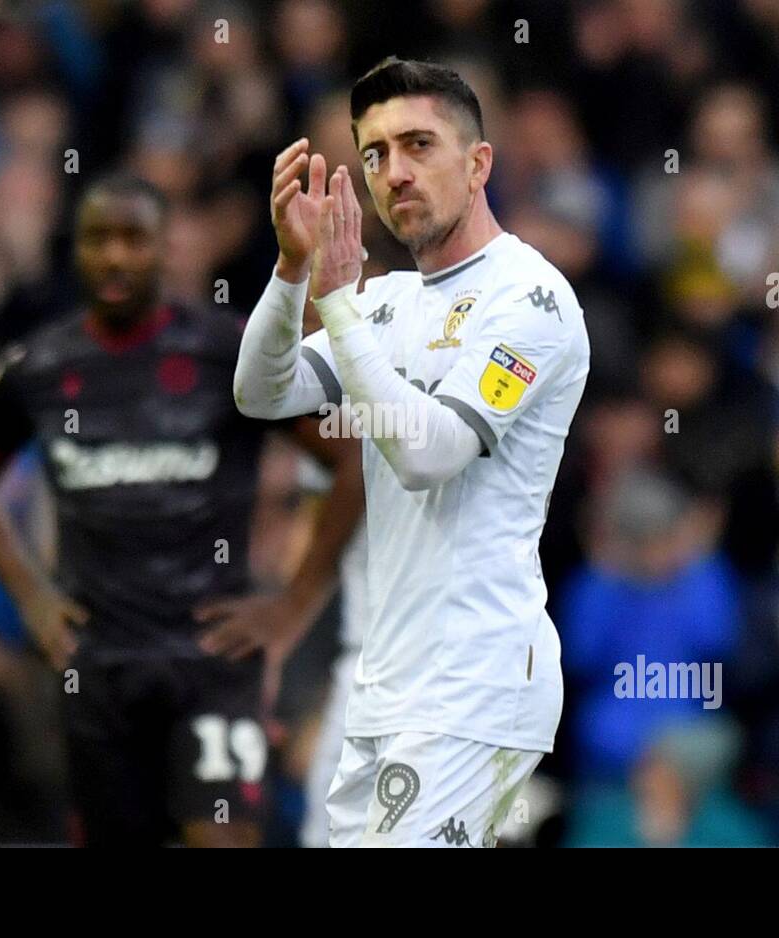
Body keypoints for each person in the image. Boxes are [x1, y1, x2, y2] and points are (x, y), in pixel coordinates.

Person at [231, 57, 590, 847]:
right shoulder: (385, 303)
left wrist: (336, 304)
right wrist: (293, 271)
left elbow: (430, 454)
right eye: (374, 153)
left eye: (418, 144)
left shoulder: (531, 300)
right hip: (388, 685)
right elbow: (261, 391)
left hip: (478, 678)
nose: (392, 171)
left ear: (479, 162)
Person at [0, 173, 362, 847]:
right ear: (73, 249)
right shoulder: (39, 368)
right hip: (98, 665)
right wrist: (31, 597)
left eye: (134, 238)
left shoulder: (229, 352)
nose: (115, 256)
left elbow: (351, 460)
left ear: (166, 249)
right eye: (97, 239)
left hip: (213, 661)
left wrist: (291, 606)